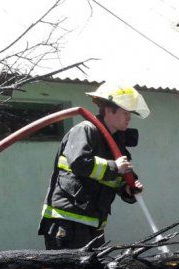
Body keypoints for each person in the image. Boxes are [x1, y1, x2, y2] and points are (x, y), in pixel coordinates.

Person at [39, 82, 149, 249]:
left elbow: (115, 180)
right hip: (67, 222)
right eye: (125, 112)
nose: (129, 117)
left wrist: (128, 189)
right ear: (108, 111)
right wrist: (114, 167)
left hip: (93, 225)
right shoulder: (85, 130)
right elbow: (79, 163)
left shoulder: (117, 146)